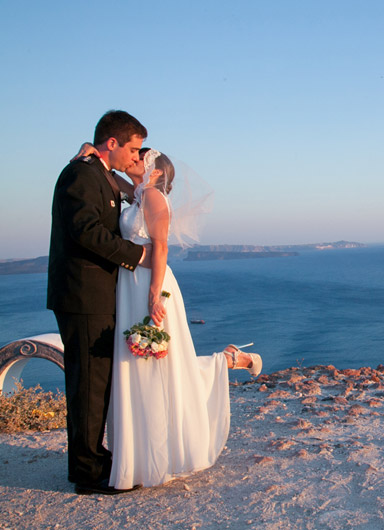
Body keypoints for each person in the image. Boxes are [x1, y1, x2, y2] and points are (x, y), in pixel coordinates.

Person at [105, 148, 262, 490]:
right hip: (130, 284)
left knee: (165, 365)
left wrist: (154, 294)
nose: (133, 161)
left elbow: (160, 247)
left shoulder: (154, 198)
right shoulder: (139, 195)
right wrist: (92, 157)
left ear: (156, 172)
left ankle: (230, 360)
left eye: (140, 159)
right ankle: (142, 455)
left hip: (151, 284)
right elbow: (112, 177)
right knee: (143, 364)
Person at [48, 110, 149, 495]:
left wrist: (98, 158)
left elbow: (127, 191)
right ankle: (87, 473)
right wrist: (137, 256)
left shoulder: (96, 171)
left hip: (95, 295)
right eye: (133, 149)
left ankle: (94, 456)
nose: (135, 157)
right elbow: (86, 231)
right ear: (113, 143)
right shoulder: (79, 175)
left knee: (98, 383)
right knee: (88, 385)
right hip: (82, 295)